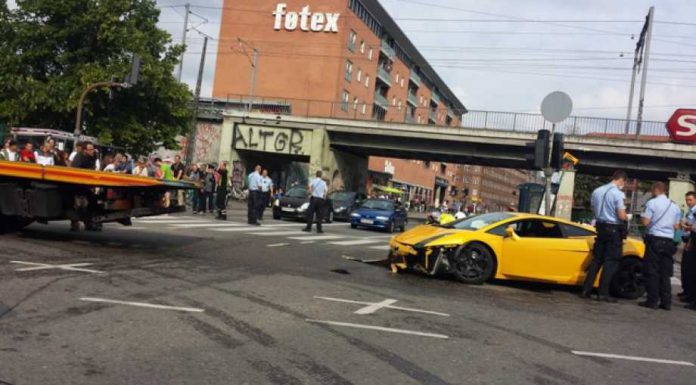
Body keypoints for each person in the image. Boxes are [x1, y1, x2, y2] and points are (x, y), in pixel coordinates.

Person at [580, 170, 628, 303]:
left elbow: (593, 208)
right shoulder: (617, 194)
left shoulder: (597, 191)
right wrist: (626, 217)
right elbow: (621, 215)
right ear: (621, 180)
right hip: (613, 229)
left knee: (597, 260)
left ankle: (586, 290)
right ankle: (603, 293)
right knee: (610, 262)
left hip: (600, 227)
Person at [639, 182, 681, 311]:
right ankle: (666, 302)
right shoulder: (675, 206)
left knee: (652, 271)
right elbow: (677, 226)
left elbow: (646, 222)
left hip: (655, 240)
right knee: (665, 273)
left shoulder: (652, 203)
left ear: (655, 190)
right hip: (668, 241)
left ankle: (652, 301)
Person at [681, 191, 696, 310]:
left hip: (693, 241)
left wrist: (689, 227)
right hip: (690, 240)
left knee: (691, 270)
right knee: (687, 269)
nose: (688, 202)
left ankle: (692, 297)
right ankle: (688, 293)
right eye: (687, 200)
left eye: (690, 199)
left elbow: (694, 228)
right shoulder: (691, 211)